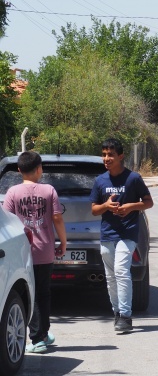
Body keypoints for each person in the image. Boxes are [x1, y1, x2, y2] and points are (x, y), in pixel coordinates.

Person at [3, 151, 67, 354]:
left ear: (19, 170)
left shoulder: (12, 193)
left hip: (22, 251)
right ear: (39, 169)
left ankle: (39, 337)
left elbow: (9, 222)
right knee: (43, 293)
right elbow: (57, 218)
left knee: (29, 295)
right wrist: (63, 242)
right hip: (45, 249)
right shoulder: (49, 190)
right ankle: (41, 335)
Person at [90, 138, 154, 333]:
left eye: (110, 155)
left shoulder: (133, 178)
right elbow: (94, 210)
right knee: (110, 276)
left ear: (120, 156)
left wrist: (131, 206)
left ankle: (126, 315)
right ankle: (117, 312)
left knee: (121, 270)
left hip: (128, 233)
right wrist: (106, 206)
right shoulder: (100, 181)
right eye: (104, 155)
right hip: (108, 233)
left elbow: (149, 202)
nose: (106, 158)